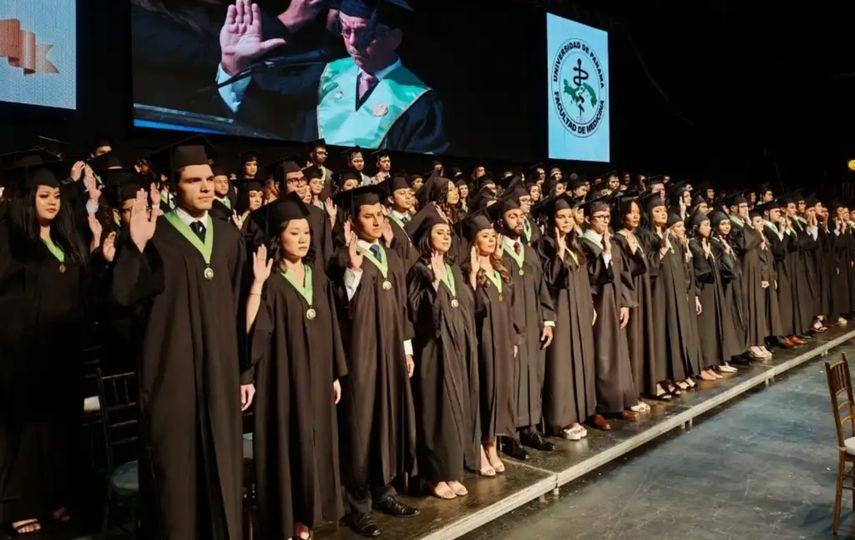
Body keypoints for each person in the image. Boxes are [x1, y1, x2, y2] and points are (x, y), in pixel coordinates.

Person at [111, 144, 250, 539]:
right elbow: (122, 300)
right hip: (171, 375)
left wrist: (244, 369)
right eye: (194, 181)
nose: (206, 188)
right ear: (173, 187)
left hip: (221, 374)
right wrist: (133, 246)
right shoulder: (155, 233)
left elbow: (241, 308)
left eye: (209, 179)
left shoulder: (227, 235)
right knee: (177, 473)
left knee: (224, 465)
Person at [0, 159, 106, 536]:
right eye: (44, 196)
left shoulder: (64, 240)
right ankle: (18, 504)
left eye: (57, 196)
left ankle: (56, 497)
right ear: (27, 200)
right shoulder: (12, 243)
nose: (52, 202)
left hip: (65, 353)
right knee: (25, 435)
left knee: (63, 430)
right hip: (25, 358)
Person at [216, 0, 448, 153]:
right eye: (345, 29)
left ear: (394, 38)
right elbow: (263, 118)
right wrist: (233, 63)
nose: (353, 43)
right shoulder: (324, 74)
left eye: (363, 32)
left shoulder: (419, 102)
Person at [246, 195, 347, 540]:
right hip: (283, 380)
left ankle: (310, 517)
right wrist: (257, 284)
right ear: (278, 237)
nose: (304, 238)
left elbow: (331, 325)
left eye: (307, 232)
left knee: (317, 446)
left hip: (318, 378)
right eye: (295, 232)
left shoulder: (315, 275)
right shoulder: (270, 280)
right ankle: (291, 522)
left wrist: (335, 371)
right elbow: (253, 332)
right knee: (290, 445)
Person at [329, 184, 419, 537]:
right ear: (352, 222)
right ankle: (359, 504)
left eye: (381, 214)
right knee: (360, 426)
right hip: (360, 355)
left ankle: (385, 491)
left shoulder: (392, 256)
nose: (378, 220)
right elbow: (341, 308)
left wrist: (407, 348)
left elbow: (402, 307)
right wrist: (352, 271)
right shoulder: (340, 258)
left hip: (392, 353)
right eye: (369, 216)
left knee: (387, 421)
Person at [406, 213, 479, 500]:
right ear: (427, 238)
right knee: (436, 411)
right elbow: (414, 312)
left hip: (457, 349)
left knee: (456, 409)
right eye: (439, 233)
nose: (447, 237)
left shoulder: (453, 269)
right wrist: (434, 286)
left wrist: (471, 277)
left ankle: (451, 471)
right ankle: (433, 476)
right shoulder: (419, 270)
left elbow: (466, 308)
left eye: (448, 232)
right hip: (433, 352)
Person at [491, 191, 556, 455]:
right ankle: (510, 434)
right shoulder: (495, 254)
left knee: (533, 375)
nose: (519, 220)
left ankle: (530, 427)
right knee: (513, 377)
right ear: (500, 222)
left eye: (520, 215)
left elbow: (542, 289)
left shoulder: (529, 251)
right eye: (512, 216)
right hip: (510, 327)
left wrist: (548, 320)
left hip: (534, 325)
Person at [460, 211, 520, 476]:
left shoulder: (500, 267)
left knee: (500, 392)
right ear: (474, 241)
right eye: (485, 236)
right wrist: (472, 277)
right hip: (481, 340)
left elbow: (511, 306)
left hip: (503, 340)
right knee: (483, 392)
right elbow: (466, 309)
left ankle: (492, 444)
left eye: (493, 236)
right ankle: (480, 448)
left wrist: (514, 338)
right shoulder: (466, 271)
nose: (492, 240)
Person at [536, 193, 596, 440]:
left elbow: (585, 279)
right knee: (561, 363)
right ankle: (561, 418)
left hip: (580, 309)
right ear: (552, 220)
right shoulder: (544, 245)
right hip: (560, 310)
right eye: (561, 217)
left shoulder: (576, 244)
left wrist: (591, 304)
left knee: (580, 359)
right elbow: (548, 282)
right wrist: (558, 253)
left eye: (569, 217)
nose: (566, 221)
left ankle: (580, 410)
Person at [579, 198, 644, 425]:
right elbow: (588, 278)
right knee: (600, 355)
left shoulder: (612, 242)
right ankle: (597, 408)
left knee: (616, 354)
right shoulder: (583, 244)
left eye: (607, 217)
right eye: (600, 218)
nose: (605, 221)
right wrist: (604, 254)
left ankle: (616, 404)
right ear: (588, 220)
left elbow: (624, 275)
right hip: (598, 306)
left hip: (615, 304)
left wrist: (625, 303)